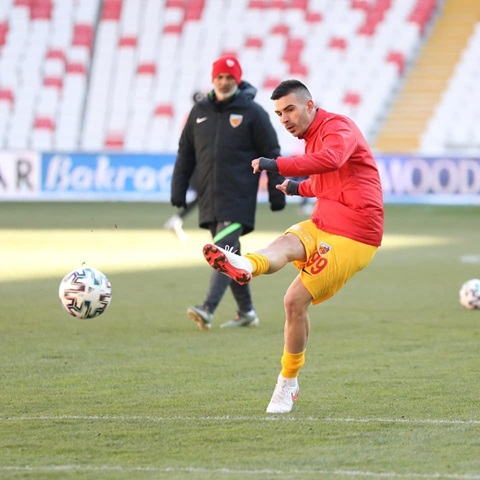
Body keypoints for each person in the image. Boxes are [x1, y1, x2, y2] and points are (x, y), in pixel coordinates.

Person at [202, 79, 384, 413]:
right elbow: (327, 180)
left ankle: (288, 381)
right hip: (324, 220)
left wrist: (276, 164)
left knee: (293, 301)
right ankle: (244, 263)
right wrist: (298, 188)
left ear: (309, 106)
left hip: (356, 233)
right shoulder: (312, 136)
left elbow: (332, 160)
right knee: (285, 243)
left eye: (290, 109)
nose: (284, 118)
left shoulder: (337, 127)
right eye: (279, 113)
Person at [170, 55, 286, 331]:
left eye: (229, 78)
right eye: (220, 77)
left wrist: (276, 191)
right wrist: (178, 188)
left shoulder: (253, 112)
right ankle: (247, 311)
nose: (224, 82)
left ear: (237, 80)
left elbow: (272, 153)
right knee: (230, 256)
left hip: (239, 198)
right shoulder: (199, 111)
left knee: (221, 252)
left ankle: (207, 308)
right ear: (213, 79)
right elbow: (185, 153)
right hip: (209, 198)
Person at [164, 91, 206, 242]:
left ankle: (176, 220)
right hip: (197, 162)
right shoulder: (202, 117)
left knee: (205, 195)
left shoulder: (191, 116)